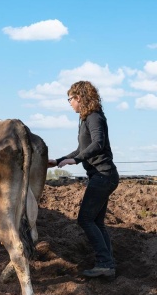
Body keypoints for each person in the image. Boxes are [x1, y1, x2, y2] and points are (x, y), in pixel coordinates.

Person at [48, 81, 119, 279]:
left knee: (85, 219)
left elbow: (98, 143)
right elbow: (81, 149)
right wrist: (59, 161)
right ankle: (108, 264)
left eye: (70, 99)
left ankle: (104, 263)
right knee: (97, 222)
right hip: (103, 176)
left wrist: (77, 159)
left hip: (103, 176)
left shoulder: (94, 117)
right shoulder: (86, 119)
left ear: (79, 97)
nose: (69, 103)